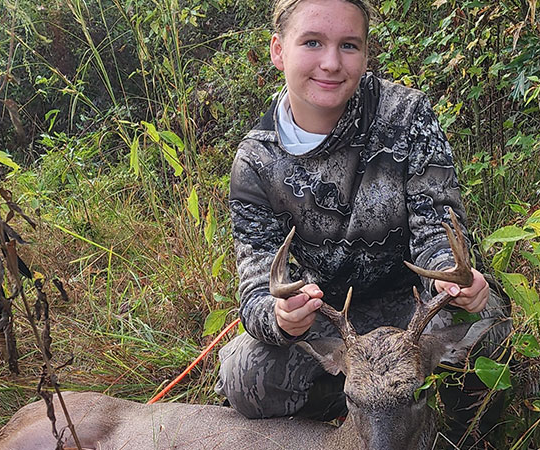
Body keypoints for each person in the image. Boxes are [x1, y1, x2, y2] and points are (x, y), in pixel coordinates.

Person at [215, 0, 511, 443]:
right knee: (246, 379)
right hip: (330, 325)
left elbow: (438, 230)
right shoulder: (256, 160)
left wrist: (451, 281)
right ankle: (362, 412)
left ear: (366, 53)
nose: (331, 63)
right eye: (312, 42)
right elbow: (258, 289)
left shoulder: (407, 116)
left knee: (488, 325)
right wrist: (281, 316)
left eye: (348, 45)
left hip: (413, 312)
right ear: (278, 51)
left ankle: (459, 431)